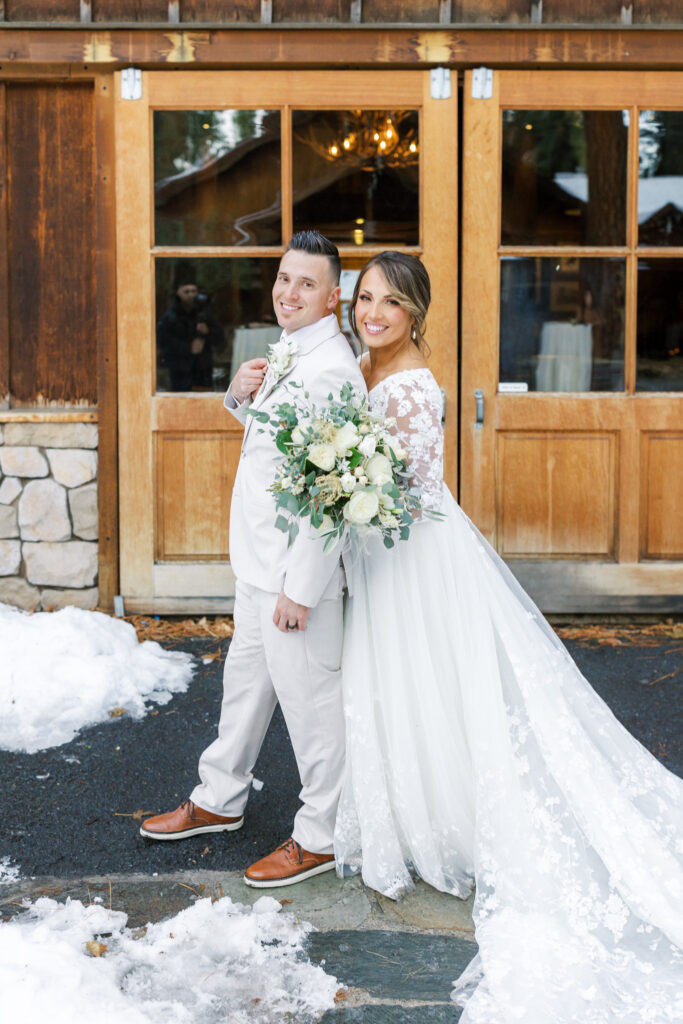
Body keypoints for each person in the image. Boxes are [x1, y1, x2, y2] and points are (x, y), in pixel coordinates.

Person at [334, 251, 683, 1022]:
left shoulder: (410, 385)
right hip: (382, 550)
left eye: (390, 302)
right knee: (401, 681)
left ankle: (444, 817)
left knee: (429, 679)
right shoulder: (358, 365)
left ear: (415, 313)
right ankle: (408, 806)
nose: (374, 313)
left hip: (413, 554)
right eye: (364, 298)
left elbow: (406, 492)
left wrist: (343, 488)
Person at [142, 232, 367, 887]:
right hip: (259, 565)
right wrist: (241, 397)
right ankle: (220, 796)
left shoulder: (331, 370)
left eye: (306, 283)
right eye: (284, 278)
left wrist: (301, 589)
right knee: (243, 688)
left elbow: (331, 491)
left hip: (294, 578)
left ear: (332, 297)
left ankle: (322, 836)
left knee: (311, 708)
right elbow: (285, 449)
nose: (288, 292)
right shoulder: (293, 349)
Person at [157, 263, 223, 391]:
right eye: (186, 291)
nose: (190, 295)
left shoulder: (203, 310)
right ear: (178, 292)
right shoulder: (170, 314)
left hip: (202, 368)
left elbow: (220, 337)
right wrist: (188, 348)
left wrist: (208, 332)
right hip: (180, 368)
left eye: (193, 291)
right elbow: (163, 341)